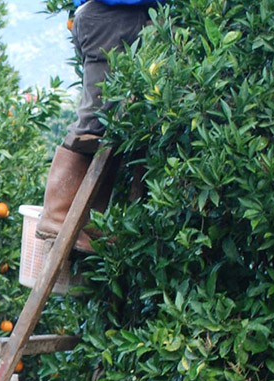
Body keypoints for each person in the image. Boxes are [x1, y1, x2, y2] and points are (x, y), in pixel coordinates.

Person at [36, 0, 165, 250]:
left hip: (122, 16)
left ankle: (89, 223)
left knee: (112, 131)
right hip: (110, 16)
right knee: (95, 123)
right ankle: (55, 215)